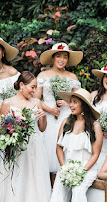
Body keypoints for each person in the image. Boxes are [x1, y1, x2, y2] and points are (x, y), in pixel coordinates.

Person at [0, 71, 51, 202]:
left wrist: (43, 117)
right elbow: (3, 129)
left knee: (34, 181)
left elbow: (42, 128)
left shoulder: (37, 103)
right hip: (16, 148)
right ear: (21, 85)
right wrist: (14, 135)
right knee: (16, 180)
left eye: (36, 87)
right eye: (32, 87)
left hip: (34, 147)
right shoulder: (8, 103)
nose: (34, 90)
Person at [47, 88, 103, 202]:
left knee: (78, 190)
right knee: (58, 190)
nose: (71, 105)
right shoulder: (66, 122)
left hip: (86, 168)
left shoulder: (95, 126)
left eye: (75, 102)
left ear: (83, 104)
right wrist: (64, 167)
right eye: (70, 102)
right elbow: (59, 148)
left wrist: (82, 171)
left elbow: (95, 154)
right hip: (67, 167)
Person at [35, 42, 82, 176]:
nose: (61, 60)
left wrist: (68, 103)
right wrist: (50, 110)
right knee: (48, 145)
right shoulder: (43, 75)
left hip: (66, 116)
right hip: (48, 116)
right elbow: (36, 99)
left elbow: (79, 100)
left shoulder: (72, 77)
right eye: (58, 56)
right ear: (53, 58)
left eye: (65, 57)